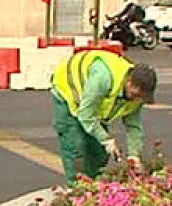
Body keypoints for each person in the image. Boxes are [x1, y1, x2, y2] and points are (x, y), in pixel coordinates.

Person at [50, 50, 157, 183]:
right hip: (68, 92)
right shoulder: (104, 78)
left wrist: (134, 155)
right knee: (76, 148)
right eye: (137, 94)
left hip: (93, 105)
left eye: (142, 97)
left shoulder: (136, 96)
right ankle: (76, 190)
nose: (138, 99)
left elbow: (133, 126)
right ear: (129, 81)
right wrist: (106, 140)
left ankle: (93, 185)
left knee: (99, 152)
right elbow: (86, 115)